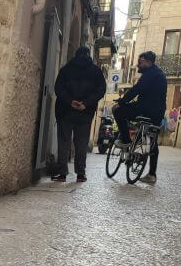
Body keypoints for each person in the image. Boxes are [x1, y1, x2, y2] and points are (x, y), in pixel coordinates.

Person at [51, 46, 106, 183]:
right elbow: (101, 90)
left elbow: (58, 88)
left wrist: (70, 102)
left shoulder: (66, 69)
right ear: (89, 55)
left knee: (64, 141)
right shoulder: (96, 71)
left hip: (65, 111)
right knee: (81, 143)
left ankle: (62, 173)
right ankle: (81, 174)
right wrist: (86, 103)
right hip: (85, 113)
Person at [113, 51, 167, 185]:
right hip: (157, 114)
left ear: (149, 62)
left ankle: (126, 140)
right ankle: (152, 174)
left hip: (144, 109)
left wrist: (121, 102)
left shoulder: (149, 74)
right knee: (152, 141)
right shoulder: (160, 75)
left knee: (119, 112)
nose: (139, 64)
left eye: (141, 62)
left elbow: (136, 90)